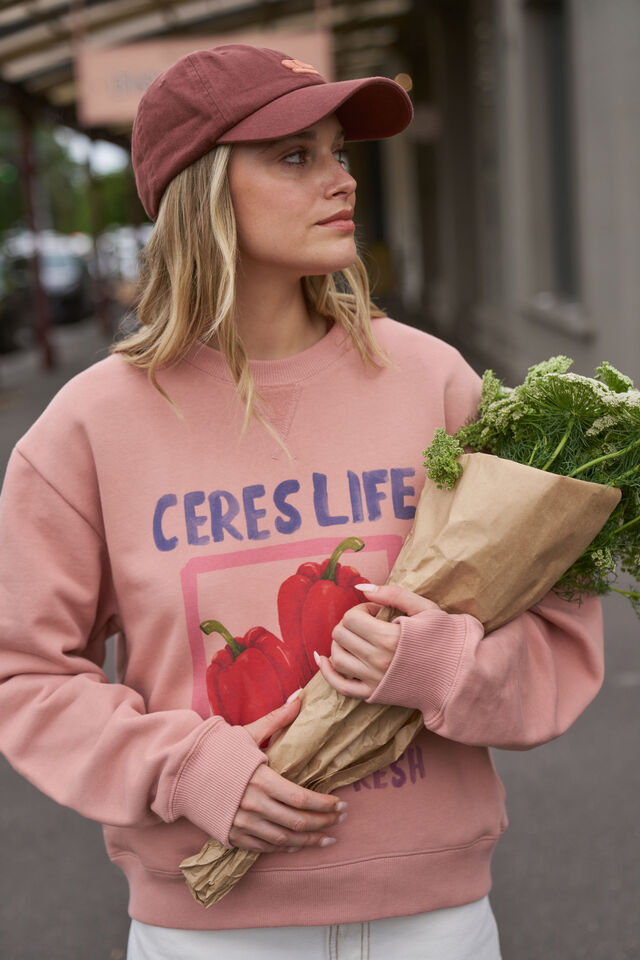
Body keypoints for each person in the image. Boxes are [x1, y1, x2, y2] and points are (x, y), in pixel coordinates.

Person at [0, 44, 604, 960]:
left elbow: (563, 627)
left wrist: (443, 665)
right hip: (206, 936)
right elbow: (24, 675)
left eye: (340, 153)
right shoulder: (89, 428)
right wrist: (186, 768)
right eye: (296, 156)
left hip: (434, 923)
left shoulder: (432, 382)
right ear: (203, 191)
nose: (342, 181)